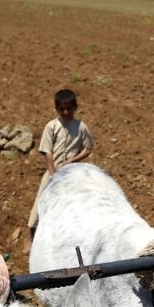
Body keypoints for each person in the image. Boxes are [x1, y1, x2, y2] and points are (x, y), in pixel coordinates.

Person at [27, 89, 96, 236]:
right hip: (53, 172)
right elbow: (47, 151)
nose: (65, 112)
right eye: (61, 109)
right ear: (56, 109)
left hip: (71, 174)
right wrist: (52, 174)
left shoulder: (81, 127)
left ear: (75, 107)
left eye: (69, 108)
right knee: (41, 204)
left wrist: (72, 160)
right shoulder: (52, 126)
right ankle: (31, 235)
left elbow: (88, 148)